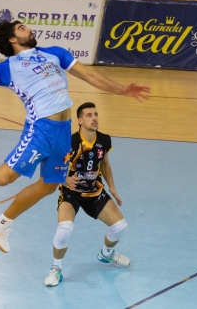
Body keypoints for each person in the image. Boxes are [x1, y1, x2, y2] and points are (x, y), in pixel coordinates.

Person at [0, 17, 150, 254]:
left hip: (63, 132)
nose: (30, 29)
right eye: (23, 28)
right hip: (40, 130)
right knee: (2, 177)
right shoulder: (8, 68)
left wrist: (122, 90)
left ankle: (0, 225)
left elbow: (90, 76)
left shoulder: (55, 53)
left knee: (48, 185)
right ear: (13, 39)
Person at [44, 103, 129, 287]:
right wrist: (65, 179)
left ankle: (106, 255)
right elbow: (53, 165)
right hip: (71, 194)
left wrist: (112, 187)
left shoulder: (104, 140)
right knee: (65, 229)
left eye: (96, 114)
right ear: (80, 121)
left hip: (94, 192)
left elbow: (105, 164)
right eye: (89, 115)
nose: (94, 118)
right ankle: (56, 269)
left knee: (121, 227)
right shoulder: (69, 142)